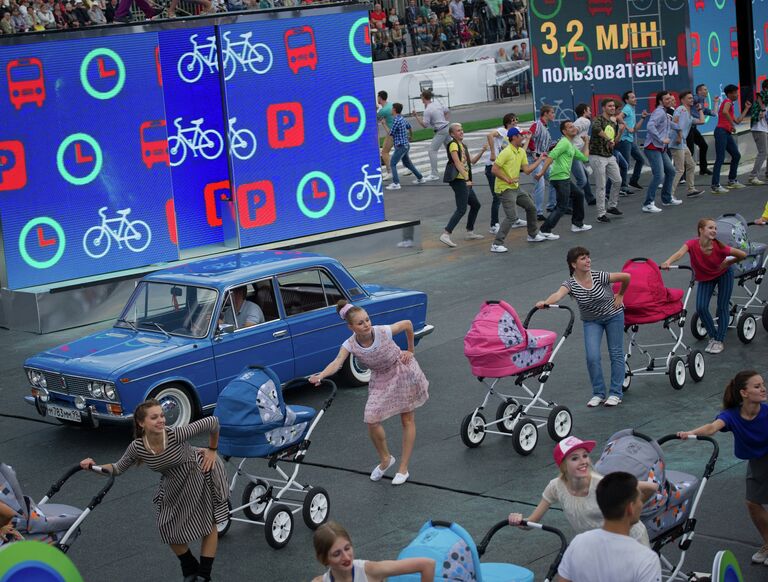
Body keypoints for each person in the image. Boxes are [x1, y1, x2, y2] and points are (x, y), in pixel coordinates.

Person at [79, 400, 228, 582]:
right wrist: (92, 467)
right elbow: (117, 468)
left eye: (162, 416)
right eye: (154, 417)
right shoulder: (138, 447)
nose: (161, 420)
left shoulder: (175, 434)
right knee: (166, 526)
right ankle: (189, 566)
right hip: (173, 483)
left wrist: (212, 450)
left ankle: (204, 575)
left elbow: (212, 422)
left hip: (199, 473)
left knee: (208, 523)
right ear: (142, 423)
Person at [309, 301, 429, 486]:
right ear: (351, 327)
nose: (366, 324)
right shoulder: (350, 345)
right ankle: (386, 459)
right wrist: (321, 375)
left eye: (367, 320)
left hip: (402, 370)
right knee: (371, 419)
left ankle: (403, 468)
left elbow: (407, 324)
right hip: (381, 378)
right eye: (360, 323)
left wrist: (411, 350)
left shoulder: (382, 331)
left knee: (407, 419)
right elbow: (337, 363)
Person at [677, 370, 768, 566]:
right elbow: (711, 428)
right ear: (744, 393)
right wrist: (690, 433)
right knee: (753, 503)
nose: (763, 389)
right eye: (757, 386)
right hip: (757, 461)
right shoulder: (731, 415)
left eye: (763, 384)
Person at [508, 436, 654, 546]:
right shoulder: (556, 487)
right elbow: (531, 523)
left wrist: (632, 513)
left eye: (585, 456)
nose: (583, 461)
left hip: (630, 541)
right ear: (563, 465)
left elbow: (651, 487)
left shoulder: (602, 484)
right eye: (575, 458)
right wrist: (519, 521)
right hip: (598, 547)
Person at [536, 246, 630, 407]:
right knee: (592, 357)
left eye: (588, 257)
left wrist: (620, 294)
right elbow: (558, 295)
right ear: (574, 264)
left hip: (613, 316)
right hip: (591, 321)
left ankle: (615, 393)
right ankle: (599, 393)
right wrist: (545, 302)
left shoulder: (599, 276)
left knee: (615, 353)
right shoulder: (570, 284)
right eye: (583, 258)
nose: (588, 260)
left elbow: (626, 276)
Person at [556, 472, 663, 582]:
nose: (641, 504)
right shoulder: (646, 559)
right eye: (639, 500)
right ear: (630, 508)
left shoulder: (578, 543)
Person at [661, 218, 747, 354]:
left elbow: (742, 254)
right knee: (701, 307)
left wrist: (727, 263)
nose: (714, 231)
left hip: (724, 275)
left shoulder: (719, 247)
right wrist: (668, 262)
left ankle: (719, 340)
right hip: (706, 278)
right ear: (701, 230)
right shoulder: (692, 244)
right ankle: (713, 336)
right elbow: (679, 254)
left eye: (715, 228)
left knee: (722, 306)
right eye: (710, 228)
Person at [312, 521, 436, 582]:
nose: (346, 557)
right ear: (324, 559)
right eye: (337, 554)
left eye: (347, 548)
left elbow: (427, 565)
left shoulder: (370, 571)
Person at [490, 127, 548, 252]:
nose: (523, 137)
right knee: (512, 217)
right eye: (521, 135)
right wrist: (507, 179)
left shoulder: (520, 152)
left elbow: (527, 170)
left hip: (515, 188)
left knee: (531, 207)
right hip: (504, 188)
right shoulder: (506, 152)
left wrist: (540, 160)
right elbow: (494, 169)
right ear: (514, 137)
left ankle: (532, 235)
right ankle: (496, 244)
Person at [536, 120, 592, 237]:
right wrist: (541, 172)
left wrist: (586, 142)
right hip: (559, 178)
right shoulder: (564, 143)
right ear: (564, 131)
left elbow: (585, 158)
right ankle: (545, 230)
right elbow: (551, 156)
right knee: (562, 206)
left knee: (578, 195)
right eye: (570, 127)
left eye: (573, 126)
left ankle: (577, 224)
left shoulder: (570, 145)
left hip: (564, 178)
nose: (573, 128)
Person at [439, 123, 487, 247]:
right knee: (461, 208)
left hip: (464, 180)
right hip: (459, 180)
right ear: (452, 134)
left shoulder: (463, 146)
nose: (461, 132)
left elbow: (472, 162)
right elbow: (457, 163)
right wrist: (466, 179)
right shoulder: (453, 145)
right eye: (458, 130)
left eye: (462, 130)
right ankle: (446, 234)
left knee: (475, 205)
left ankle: (470, 231)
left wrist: (482, 151)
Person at [483, 113, 526, 234]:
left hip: (505, 167)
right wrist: (492, 152)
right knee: (497, 197)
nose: (516, 122)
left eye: (517, 119)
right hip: (493, 166)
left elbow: (523, 138)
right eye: (513, 120)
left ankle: (515, 219)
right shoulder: (502, 131)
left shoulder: (514, 134)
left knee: (513, 193)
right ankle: (494, 224)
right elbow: (489, 135)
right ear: (507, 122)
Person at [642, 91, 678, 213]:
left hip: (659, 148)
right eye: (666, 99)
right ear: (660, 101)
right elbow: (650, 126)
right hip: (652, 147)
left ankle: (666, 199)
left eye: (670, 99)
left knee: (671, 171)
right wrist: (662, 139)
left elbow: (668, 125)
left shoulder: (664, 112)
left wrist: (680, 127)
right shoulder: (659, 112)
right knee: (659, 175)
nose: (669, 101)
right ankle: (648, 203)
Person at [712, 84, 751, 194]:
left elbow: (738, 121)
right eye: (734, 92)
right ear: (729, 94)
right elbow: (724, 112)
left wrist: (746, 109)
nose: (737, 94)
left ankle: (732, 180)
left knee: (736, 155)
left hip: (726, 133)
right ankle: (715, 185)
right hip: (721, 132)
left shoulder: (731, 105)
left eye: (736, 92)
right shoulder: (727, 102)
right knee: (720, 158)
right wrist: (731, 125)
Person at [590, 99, 623, 223]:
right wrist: (609, 138)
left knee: (618, 180)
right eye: (609, 106)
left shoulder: (613, 123)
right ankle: (600, 214)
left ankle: (612, 206)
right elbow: (596, 129)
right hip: (597, 156)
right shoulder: (598, 120)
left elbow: (614, 143)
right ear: (603, 108)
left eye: (613, 106)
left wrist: (620, 132)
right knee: (601, 185)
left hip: (609, 155)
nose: (612, 108)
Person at [670, 90, 705, 199]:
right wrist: (679, 136)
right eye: (689, 98)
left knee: (691, 165)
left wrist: (700, 110)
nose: (692, 100)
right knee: (680, 169)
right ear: (682, 100)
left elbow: (702, 121)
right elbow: (674, 122)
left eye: (692, 98)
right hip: (677, 143)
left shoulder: (689, 114)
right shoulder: (680, 109)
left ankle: (691, 189)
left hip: (682, 144)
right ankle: (669, 194)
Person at [412, 90, 450, 181]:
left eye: (421, 97)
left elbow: (425, 125)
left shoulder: (427, 110)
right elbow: (447, 110)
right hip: (446, 127)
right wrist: (444, 120)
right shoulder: (437, 103)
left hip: (440, 130)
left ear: (423, 98)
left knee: (432, 151)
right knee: (451, 149)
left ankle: (434, 174)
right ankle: (459, 166)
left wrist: (416, 116)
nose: (421, 98)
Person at [527, 105, 557, 219]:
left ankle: (551, 205)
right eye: (552, 112)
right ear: (545, 114)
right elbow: (529, 138)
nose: (554, 115)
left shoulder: (545, 127)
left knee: (554, 178)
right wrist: (534, 152)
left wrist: (555, 145)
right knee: (540, 185)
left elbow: (546, 147)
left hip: (542, 159)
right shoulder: (537, 125)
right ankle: (537, 212)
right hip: (534, 159)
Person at [386, 102, 425, 190]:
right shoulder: (402, 119)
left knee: (392, 163)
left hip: (400, 146)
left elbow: (390, 133)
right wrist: (411, 136)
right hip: (406, 145)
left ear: (395, 110)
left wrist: (384, 124)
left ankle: (396, 183)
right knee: (407, 163)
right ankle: (420, 178)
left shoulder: (396, 120)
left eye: (392, 108)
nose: (391, 110)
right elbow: (409, 127)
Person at [616, 91, 647, 191]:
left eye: (635, 97)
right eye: (632, 97)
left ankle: (633, 181)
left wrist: (642, 118)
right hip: (624, 140)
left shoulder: (631, 109)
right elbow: (619, 117)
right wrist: (627, 127)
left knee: (640, 160)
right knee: (625, 164)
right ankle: (622, 186)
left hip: (630, 140)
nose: (635, 99)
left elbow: (635, 129)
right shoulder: (627, 108)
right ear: (627, 100)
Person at [689, 84, 719, 175]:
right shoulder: (695, 98)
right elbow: (688, 102)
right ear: (699, 91)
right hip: (688, 128)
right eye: (705, 90)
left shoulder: (701, 105)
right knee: (689, 151)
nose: (707, 91)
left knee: (703, 146)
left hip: (693, 128)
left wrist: (716, 102)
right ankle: (683, 174)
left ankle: (703, 169)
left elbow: (714, 113)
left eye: (707, 89)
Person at [572, 103, 596, 206]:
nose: (590, 112)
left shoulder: (581, 121)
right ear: (584, 111)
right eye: (589, 110)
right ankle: (569, 203)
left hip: (575, 152)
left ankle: (590, 198)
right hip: (573, 154)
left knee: (585, 175)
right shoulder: (585, 121)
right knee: (582, 180)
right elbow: (574, 131)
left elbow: (578, 134)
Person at [748, 79, 768, 185]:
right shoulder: (760, 100)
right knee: (763, 153)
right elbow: (759, 94)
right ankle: (753, 176)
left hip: (765, 129)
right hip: (759, 129)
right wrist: (762, 110)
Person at [376, 91, 394, 180]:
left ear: (380, 98)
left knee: (384, 152)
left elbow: (374, 118)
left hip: (391, 133)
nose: (377, 99)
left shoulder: (383, 110)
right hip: (397, 131)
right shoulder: (390, 104)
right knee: (403, 152)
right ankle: (410, 169)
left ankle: (389, 172)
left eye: (377, 97)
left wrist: (375, 109)